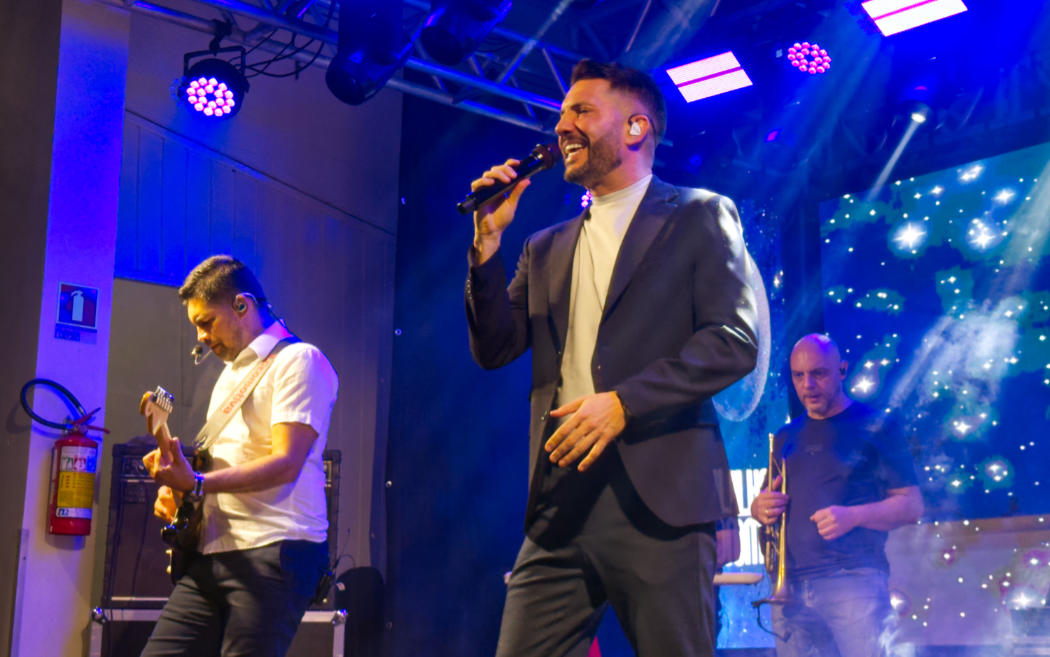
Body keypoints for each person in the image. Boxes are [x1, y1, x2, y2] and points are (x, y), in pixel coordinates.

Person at [465, 59, 761, 657]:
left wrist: (625, 403)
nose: (562, 126)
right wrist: (487, 243)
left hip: (660, 500)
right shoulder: (545, 246)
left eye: (581, 111)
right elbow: (495, 347)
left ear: (635, 127)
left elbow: (732, 341)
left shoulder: (698, 214)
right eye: (561, 114)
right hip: (560, 501)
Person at [140, 255, 338, 657]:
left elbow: (286, 463)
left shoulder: (300, 360)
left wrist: (196, 483)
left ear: (242, 305)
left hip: (273, 552)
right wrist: (182, 495)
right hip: (214, 553)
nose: (200, 336)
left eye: (206, 322)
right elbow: (231, 463)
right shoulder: (230, 375)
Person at [750, 333, 923, 657]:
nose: (808, 385)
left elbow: (911, 505)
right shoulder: (786, 436)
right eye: (798, 376)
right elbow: (766, 502)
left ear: (842, 370)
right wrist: (759, 508)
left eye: (818, 373)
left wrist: (853, 516)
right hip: (791, 588)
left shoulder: (876, 426)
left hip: (853, 581)